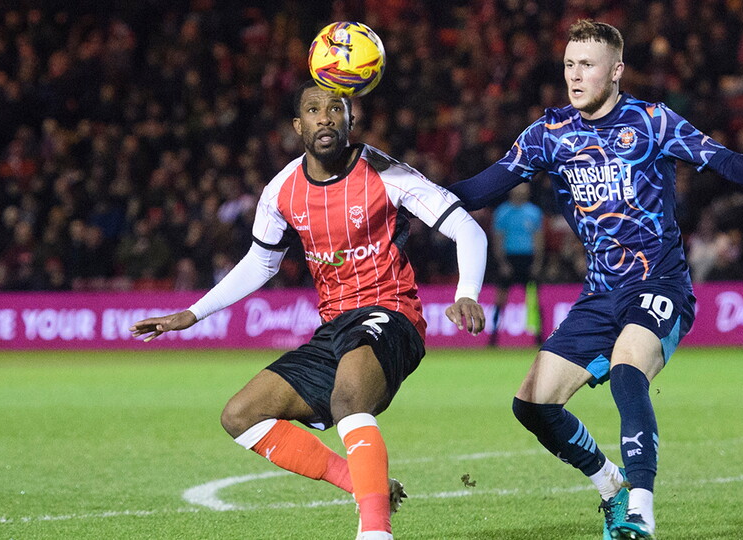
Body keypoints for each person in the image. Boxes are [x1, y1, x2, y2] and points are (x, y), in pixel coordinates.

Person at [448, 20, 743, 540]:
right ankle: (611, 484)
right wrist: (414, 197)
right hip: (599, 294)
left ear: (616, 71)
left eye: (586, 65)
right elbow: (482, 187)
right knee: (531, 405)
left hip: (659, 283)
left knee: (626, 370)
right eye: (569, 64)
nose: (574, 74)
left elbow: (727, 163)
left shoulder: (653, 121)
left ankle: (641, 510)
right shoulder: (549, 134)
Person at [130, 80, 488, 540]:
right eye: (314, 110)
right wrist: (193, 313)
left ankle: (375, 532)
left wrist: (468, 292)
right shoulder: (281, 190)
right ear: (298, 126)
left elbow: (466, 228)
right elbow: (262, 261)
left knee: (348, 401)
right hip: (334, 327)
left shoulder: (387, 174)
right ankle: (365, 483)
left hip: (391, 313)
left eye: (336, 109)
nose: (326, 117)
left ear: (350, 120)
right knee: (240, 415)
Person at [488, 182, 544, 346]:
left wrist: (537, 262)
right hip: (509, 258)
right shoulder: (502, 212)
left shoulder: (534, 212)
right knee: (501, 299)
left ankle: (539, 337)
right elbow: (498, 239)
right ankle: (494, 336)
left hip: (528, 258)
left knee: (533, 300)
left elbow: (538, 239)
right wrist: (502, 262)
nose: (521, 190)